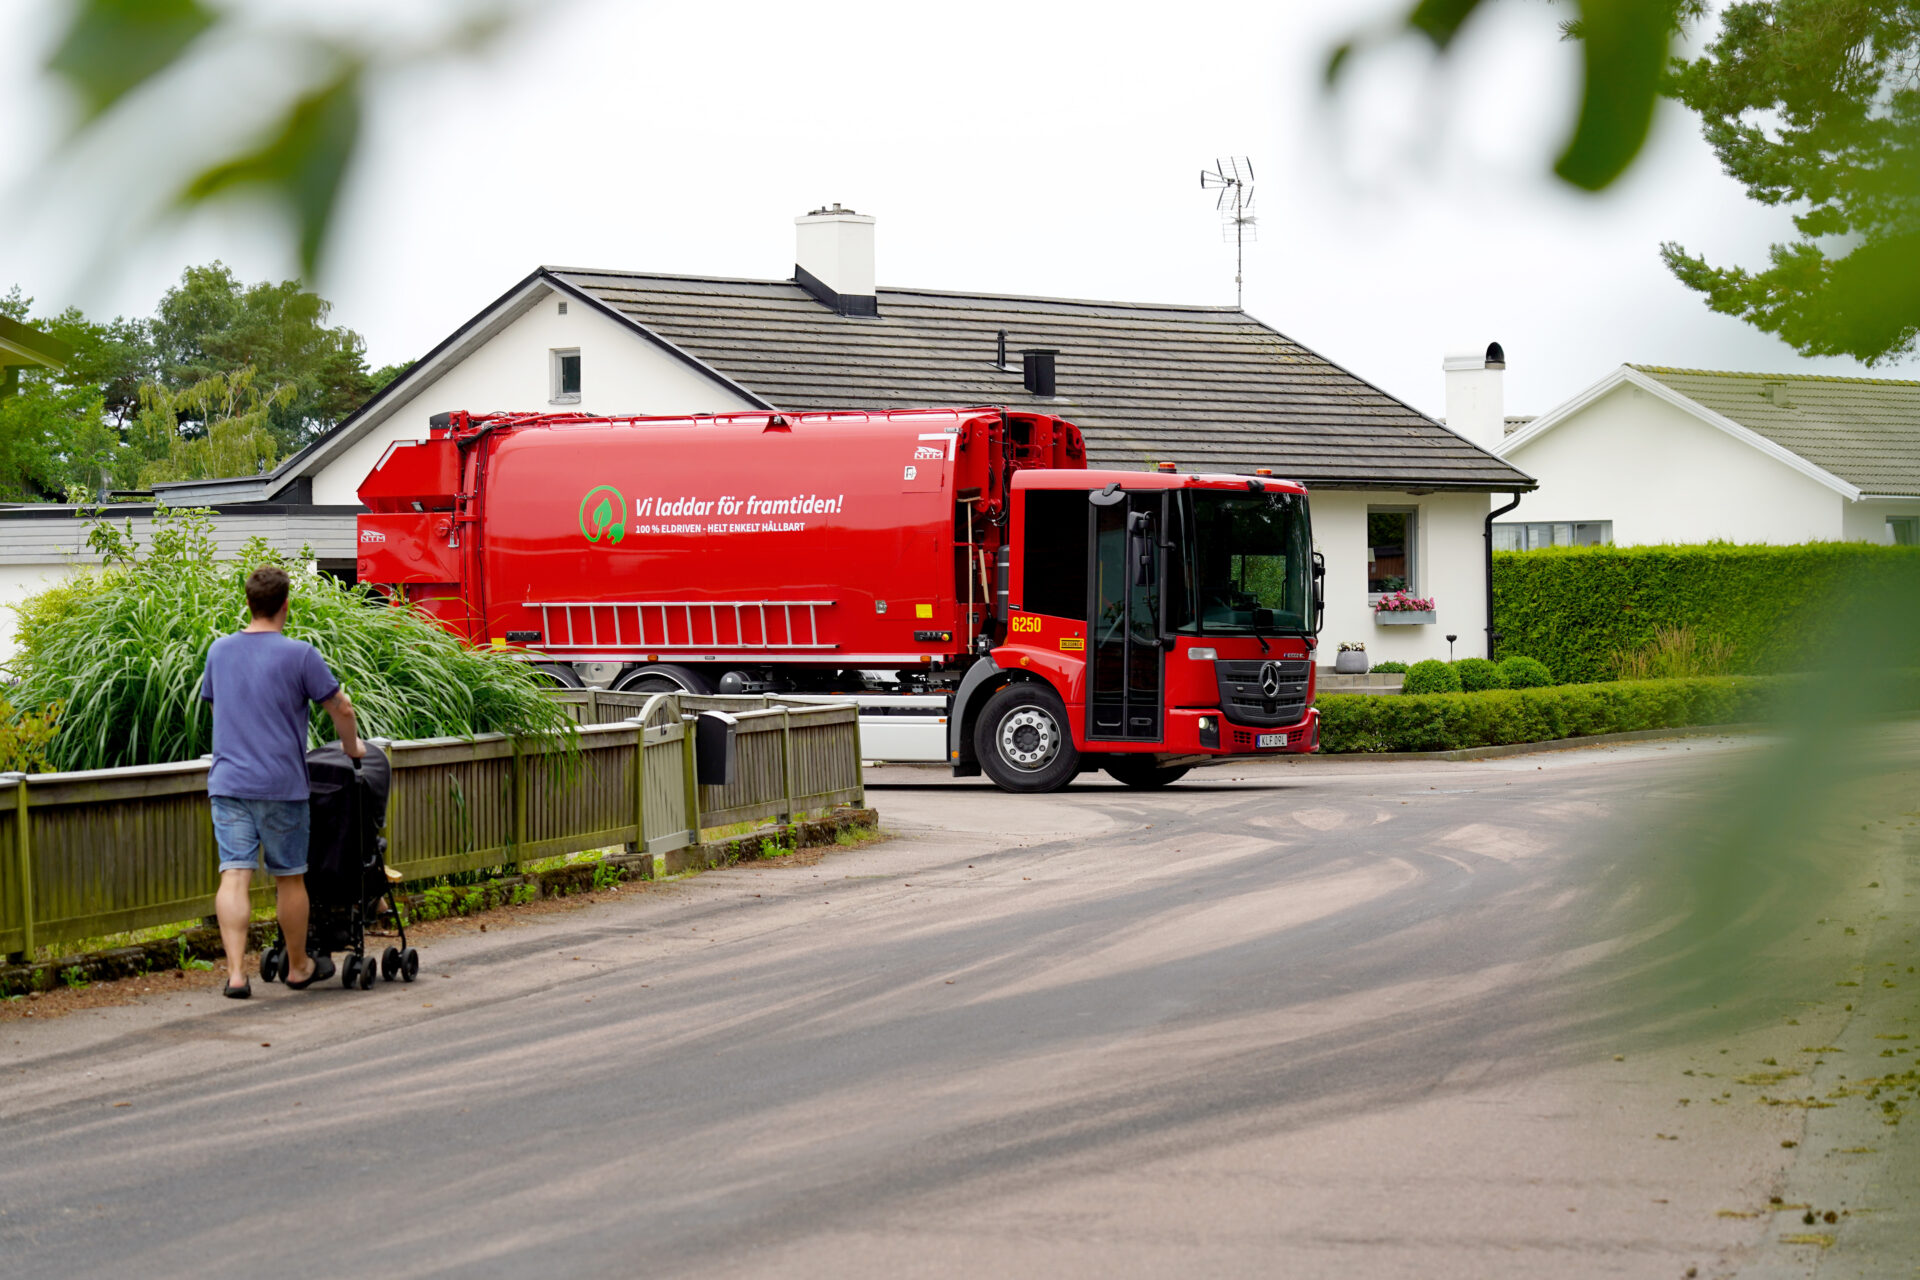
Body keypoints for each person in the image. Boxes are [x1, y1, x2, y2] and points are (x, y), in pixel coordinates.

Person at [200, 565, 364, 998]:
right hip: (281, 784)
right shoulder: (300, 654)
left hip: (230, 783)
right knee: (290, 877)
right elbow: (340, 708)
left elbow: (217, 712)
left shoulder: (219, 651)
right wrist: (352, 749)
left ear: (248, 602)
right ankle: (297, 966)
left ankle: (236, 974)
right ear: (285, 605)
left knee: (233, 874)